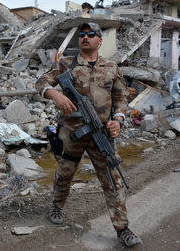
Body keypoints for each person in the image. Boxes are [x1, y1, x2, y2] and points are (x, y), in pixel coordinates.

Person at [35, 22, 142, 247]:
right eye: (82, 35)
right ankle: (56, 205)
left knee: (112, 181)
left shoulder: (112, 67)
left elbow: (121, 98)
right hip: (72, 132)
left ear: (99, 40)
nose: (85, 37)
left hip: (101, 133)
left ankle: (122, 228)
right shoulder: (65, 64)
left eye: (91, 34)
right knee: (65, 174)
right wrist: (54, 94)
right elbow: (41, 82)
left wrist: (118, 120)